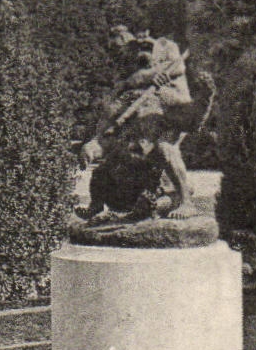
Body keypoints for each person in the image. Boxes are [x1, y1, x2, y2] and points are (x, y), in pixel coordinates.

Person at [80, 26, 200, 221]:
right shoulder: (127, 95)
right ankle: (96, 205)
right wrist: (92, 146)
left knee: (165, 149)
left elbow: (185, 114)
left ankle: (185, 201)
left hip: (159, 164)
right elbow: (105, 132)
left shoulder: (165, 92)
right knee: (103, 171)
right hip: (133, 164)